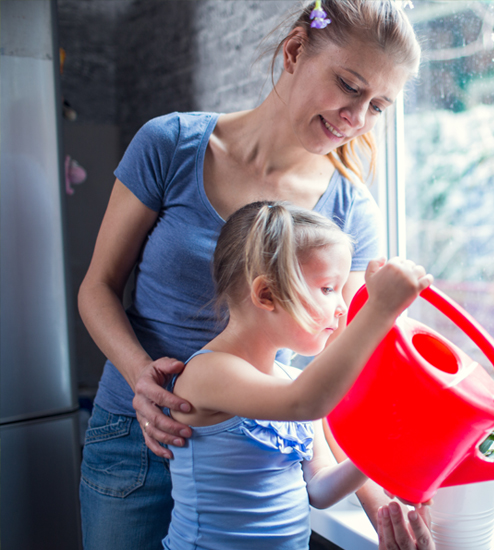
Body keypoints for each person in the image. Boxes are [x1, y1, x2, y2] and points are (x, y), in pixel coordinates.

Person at [76, 1, 431, 548]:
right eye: (349, 86)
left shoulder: (351, 210)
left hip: (256, 453)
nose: (356, 118)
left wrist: (378, 498)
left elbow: (342, 363)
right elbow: (97, 287)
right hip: (136, 436)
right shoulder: (170, 145)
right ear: (294, 51)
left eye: (378, 106)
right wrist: (140, 375)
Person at [160, 200, 431, 549]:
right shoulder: (208, 372)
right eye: (328, 288)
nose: (343, 306)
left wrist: (382, 447)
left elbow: (318, 487)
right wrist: (379, 309)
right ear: (266, 294)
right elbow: (306, 402)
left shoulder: (289, 380)